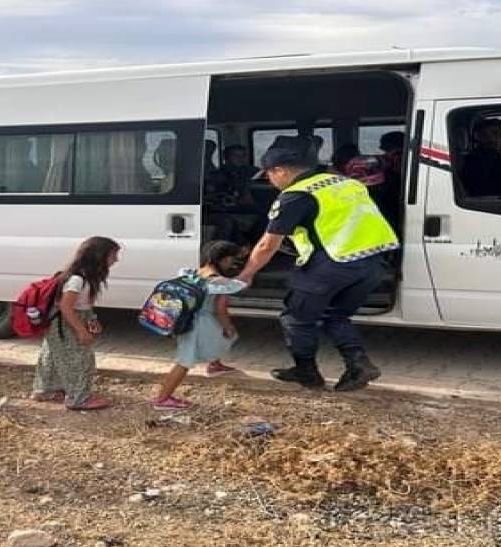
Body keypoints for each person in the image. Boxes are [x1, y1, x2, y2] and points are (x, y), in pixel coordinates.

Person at [236, 146, 399, 392]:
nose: (269, 180)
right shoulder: (346, 183)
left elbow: (268, 244)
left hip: (332, 263)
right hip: (372, 262)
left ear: (279, 171)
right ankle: (359, 365)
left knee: (296, 318)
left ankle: (307, 372)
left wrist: (246, 274)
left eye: (268, 174)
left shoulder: (295, 195)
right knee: (335, 315)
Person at [151, 241, 248, 410]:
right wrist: (228, 326)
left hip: (188, 319)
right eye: (232, 260)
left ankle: (215, 364)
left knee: (219, 339)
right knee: (185, 361)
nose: (233, 264)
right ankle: (162, 399)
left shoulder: (192, 273)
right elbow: (220, 309)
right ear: (224, 260)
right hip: (201, 323)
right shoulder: (220, 283)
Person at [31, 236, 121, 411]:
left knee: (52, 356)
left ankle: (45, 390)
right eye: (112, 255)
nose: (116, 260)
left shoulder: (86, 277)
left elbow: (84, 304)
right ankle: (78, 399)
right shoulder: (77, 279)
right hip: (65, 325)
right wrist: (81, 331)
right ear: (99, 256)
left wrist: (92, 320)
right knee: (79, 360)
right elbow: (66, 306)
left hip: (62, 324)